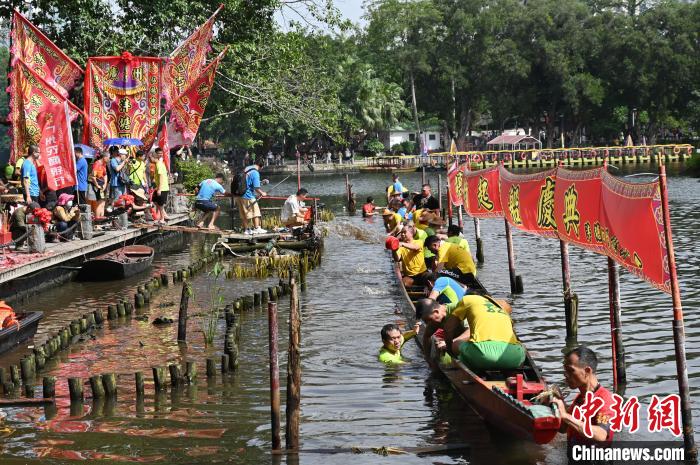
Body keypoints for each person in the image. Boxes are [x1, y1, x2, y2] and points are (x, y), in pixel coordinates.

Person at [551, 346, 615, 454]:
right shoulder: (580, 398)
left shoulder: (605, 399)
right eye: (565, 371)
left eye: (570, 370)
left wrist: (565, 415)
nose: (565, 375)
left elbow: (601, 434)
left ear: (587, 371)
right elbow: (563, 428)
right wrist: (557, 405)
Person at [236, 161, 266, 234]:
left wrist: (260, 182)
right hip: (248, 195)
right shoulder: (255, 172)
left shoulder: (247, 168)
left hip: (239, 195)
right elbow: (256, 188)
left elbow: (248, 181)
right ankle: (257, 228)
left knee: (244, 213)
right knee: (256, 212)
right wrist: (262, 193)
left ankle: (246, 230)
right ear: (261, 166)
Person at [151, 148, 170, 223]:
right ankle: (164, 215)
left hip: (162, 188)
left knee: (161, 204)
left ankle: (162, 218)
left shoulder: (159, 164)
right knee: (154, 201)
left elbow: (161, 177)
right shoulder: (158, 163)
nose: (150, 158)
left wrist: (159, 189)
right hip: (158, 187)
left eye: (151, 156)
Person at [89, 152, 108, 217]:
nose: (109, 159)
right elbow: (93, 176)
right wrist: (97, 185)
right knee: (99, 203)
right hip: (98, 185)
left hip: (103, 185)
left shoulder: (104, 164)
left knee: (103, 203)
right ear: (104, 157)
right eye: (108, 157)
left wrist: (105, 184)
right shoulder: (97, 164)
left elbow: (105, 175)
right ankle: (98, 220)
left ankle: (102, 219)